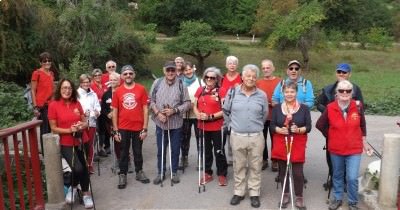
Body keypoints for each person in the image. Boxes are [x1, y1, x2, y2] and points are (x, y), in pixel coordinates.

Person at [316, 80, 373, 210]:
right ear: (337, 93)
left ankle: (353, 202)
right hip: (336, 149)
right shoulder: (330, 107)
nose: (345, 93)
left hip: (354, 149)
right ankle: (337, 198)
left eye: (348, 91)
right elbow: (320, 125)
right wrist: (330, 135)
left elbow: (362, 125)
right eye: (341, 90)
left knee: (352, 177)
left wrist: (364, 141)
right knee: (337, 174)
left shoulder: (357, 106)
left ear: (352, 93)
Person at [223, 64, 267, 208]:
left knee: (255, 166)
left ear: (256, 79)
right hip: (237, 136)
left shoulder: (262, 95)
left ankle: (254, 193)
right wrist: (232, 125)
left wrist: (255, 125)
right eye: (248, 76)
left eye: (254, 76)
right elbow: (226, 111)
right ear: (242, 77)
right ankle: (239, 192)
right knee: (239, 165)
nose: (251, 78)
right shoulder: (233, 92)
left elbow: (264, 115)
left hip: (256, 136)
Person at [316, 63, 364, 190]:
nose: (341, 74)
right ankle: (334, 179)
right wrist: (329, 110)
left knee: (349, 157)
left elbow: (361, 109)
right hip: (332, 128)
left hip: (350, 130)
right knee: (331, 156)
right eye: (339, 72)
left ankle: (346, 181)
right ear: (336, 73)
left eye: (344, 72)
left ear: (349, 74)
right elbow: (318, 104)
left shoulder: (356, 89)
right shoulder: (327, 89)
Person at [48, 78, 94, 208]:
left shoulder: (76, 103)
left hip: (81, 139)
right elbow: (53, 128)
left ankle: (85, 194)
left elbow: (85, 122)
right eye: (64, 88)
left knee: (84, 168)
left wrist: (81, 125)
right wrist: (69, 130)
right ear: (59, 89)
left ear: (73, 90)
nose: (67, 90)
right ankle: (73, 187)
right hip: (66, 142)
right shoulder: (53, 105)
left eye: (69, 88)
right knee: (77, 168)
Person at [271, 81, 312, 209]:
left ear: (296, 93)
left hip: (297, 142)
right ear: (282, 93)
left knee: (297, 172)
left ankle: (299, 196)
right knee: (283, 171)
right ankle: (286, 194)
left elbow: (309, 126)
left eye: (292, 91)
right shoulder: (277, 108)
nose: (289, 94)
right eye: (287, 92)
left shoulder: (304, 108)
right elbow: (272, 125)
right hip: (281, 142)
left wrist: (299, 129)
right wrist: (279, 130)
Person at [150, 61, 191, 185]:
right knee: (161, 149)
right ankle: (161, 172)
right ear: (164, 71)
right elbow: (151, 100)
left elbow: (188, 103)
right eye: (168, 70)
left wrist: (174, 110)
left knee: (175, 149)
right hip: (160, 122)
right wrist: (158, 113)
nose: (170, 72)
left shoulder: (181, 84)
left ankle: (173, 172)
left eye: (173, 70)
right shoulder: (156, 83)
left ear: (176, 71)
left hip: (176, 123)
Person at [111, 65, 150, 189]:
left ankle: (139, 171)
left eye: (130, 73)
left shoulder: (141, 89)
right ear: (122, 76)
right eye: (125, 73)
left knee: (138, 151)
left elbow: (145, 109)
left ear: (134, 74)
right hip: (123, 127)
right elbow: (115, 111)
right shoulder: (118, 91)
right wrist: (115, 130)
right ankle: (123, 174)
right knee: (123, 153)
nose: (128, 75)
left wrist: (145, 128)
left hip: (138, 127)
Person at [193, 67, 228, 186]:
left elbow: (225, 110)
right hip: (202, 126)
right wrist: (197, 114)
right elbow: (194, 105)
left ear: (217, 79)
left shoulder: (221, 91)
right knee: (206, 151)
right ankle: (208, 173)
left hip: (218, 126)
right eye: (207, 77)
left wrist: (210, 116)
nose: (209, 79)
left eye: (212, 77)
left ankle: (222, 174)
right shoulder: (200, 90)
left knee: (219, 151)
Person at [256, 59, 281, 171]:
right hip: (262, 117)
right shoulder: (258, 82)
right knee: (262, 139)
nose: (266, 70)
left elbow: (285, 97)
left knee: (276, 139)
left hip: (276, 116)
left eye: (268, 67)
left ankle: (275, 160)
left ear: (273, 68)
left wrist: (276, 103)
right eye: (264, 68)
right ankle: (264, 159)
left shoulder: (280, 82)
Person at [179, 61, 203, 170]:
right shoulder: (180, 82)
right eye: (186, 70)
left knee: (199, 137)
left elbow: (204, 96)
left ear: (193, 69)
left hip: (197, 114)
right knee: (184, 137)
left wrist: (196, 104)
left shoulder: (200, 81)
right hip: (184, 115)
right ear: (183, 71)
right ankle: (184, 157)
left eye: (189, 69)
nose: (188, 72)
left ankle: (200, 159)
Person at [31, 52, 55, 154]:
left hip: (51, 105)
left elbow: (52, 90)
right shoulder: (37, 73)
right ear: (40, 62)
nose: (47, 62)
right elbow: (32, 90)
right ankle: (46, 156)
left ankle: (52, 152)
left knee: (52, 129)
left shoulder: (51, 73)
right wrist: (35, 107)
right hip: (42, 106)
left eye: (49, 60)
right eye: (44, 61)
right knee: (44, 131)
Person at [77, 74, 101, 174]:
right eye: (84, 82)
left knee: (90, 144)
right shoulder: (76, 94)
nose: (86, 84)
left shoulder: (93, 94)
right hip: (81, 123)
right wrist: (83, 114)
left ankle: (89, 165)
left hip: (91, 123)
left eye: (88, 82)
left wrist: (97, 112)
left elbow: (97, 107)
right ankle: (82, 164)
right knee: (82, 144)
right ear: (80, 83)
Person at [221, 55, 242, 166]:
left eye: (234, 63)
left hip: (237, 110)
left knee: (236, 134)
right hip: (224, 110)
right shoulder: (222, 78)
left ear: (237, 65)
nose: (232, 65)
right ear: (226, 65)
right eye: (230, 63)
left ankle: (236, 156)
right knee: (226, 133)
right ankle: (228, 156)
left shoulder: (242, 77)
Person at [100, 72, 121, 167]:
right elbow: (103, 108)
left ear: (119, 81)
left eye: (115, 80)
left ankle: (127, 158)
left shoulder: (122, 91)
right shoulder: (106, 94)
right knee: (116, 141)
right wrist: (107, 113)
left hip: (122, 121)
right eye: (111, 80)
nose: (112, 81)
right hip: (111, 122)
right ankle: (118, 159)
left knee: (124, 141)